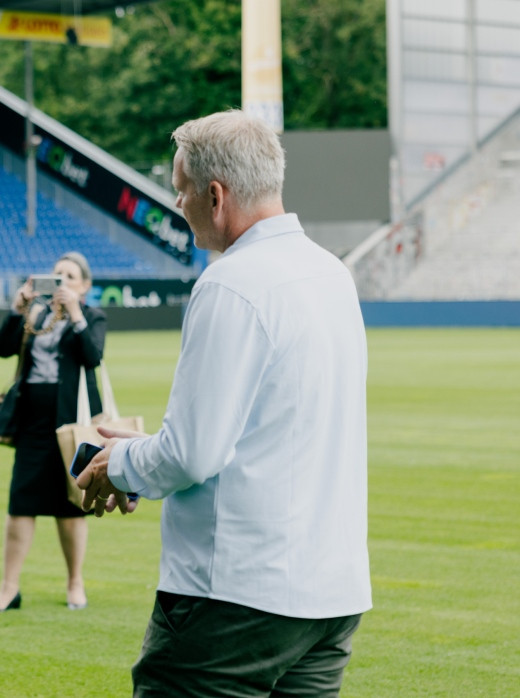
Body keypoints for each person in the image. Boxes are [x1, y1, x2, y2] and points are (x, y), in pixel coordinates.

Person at [76, 110, 371, 696]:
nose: (177, 203)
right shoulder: (332, 274)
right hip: (329, 592)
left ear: (216, 195)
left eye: (181, 190)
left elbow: (193, 452)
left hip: (236, 597)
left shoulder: (232, 282)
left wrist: (122, 463)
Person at [0, 252, 106, 613]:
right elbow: (1, 349)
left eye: (70, 276)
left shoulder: (93, 317)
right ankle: (9, 588)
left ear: (84, 286)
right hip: (33, 420)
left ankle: (75, 583)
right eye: (56, 275)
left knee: (71, 503)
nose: (62, 281)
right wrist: (17, 308)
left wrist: (77, 314)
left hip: (71, 420)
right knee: (21, 503)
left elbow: (92, 356)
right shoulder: (35, 316)